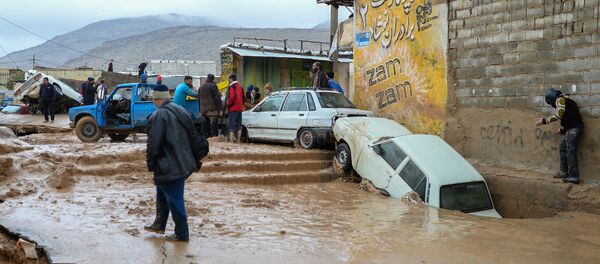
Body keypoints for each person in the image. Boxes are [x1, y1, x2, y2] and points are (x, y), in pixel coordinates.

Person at [144, 84, 198, 242]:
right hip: (183, 160)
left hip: (168, 164)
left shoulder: (158, 115)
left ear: (155, 99)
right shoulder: (180, 109)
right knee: (161, 193)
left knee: (175, 199)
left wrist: (150, 164)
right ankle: (159, 224)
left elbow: (153, 144)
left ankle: (182, 234)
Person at [536, 88, 584, 184]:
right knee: (563, 147)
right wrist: (562, 130)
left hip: (575, 128)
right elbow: (570, 119)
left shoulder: (561, 100)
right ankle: (564, 171)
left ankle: (574, 176)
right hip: (572, 127)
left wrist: (544, 121)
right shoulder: (566, 101)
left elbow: (559, 115)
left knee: (570, 150)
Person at [226, 74, 244, 143]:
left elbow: (232, 97)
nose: (228, 81)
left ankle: (231, 141)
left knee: (231, 125)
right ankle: (238, 140)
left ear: (231, 79)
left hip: (233, 109)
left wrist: (228, 104)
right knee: (239, 125)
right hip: (240, 109)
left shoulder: (232, 87)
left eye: (229, 80)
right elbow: (243, 98)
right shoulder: (240, 87)